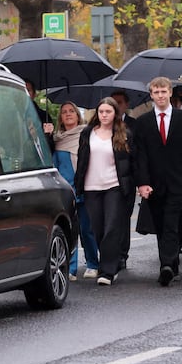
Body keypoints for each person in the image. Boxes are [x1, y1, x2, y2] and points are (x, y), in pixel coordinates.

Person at [134, 77, 182, 286]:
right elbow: (141, 156)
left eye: (164, 91)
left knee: (171, 223)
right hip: (154, 183)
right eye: (156, 92)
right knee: (160, 224)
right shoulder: (143, 122)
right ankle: (171, 265)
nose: (160, 96)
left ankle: (165, 265)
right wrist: (142, 183)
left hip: (178, 181)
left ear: (170, 93)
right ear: (151, 95)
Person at [74, 97, 134, 286]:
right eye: (101, 112)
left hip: (114, 186)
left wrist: (138, 184)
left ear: (115, 113)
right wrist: (78, 184)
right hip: (92, 188)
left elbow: (132, 161)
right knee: (98, 229)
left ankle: (107, 271)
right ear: (97, 114)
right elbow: (82, 160)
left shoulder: (123, 134)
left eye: (108, 111)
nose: (104, 115)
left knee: (111, 228)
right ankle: (111, 263)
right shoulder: (87, 133)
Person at [53, 101, 99, 279]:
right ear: (60, 118)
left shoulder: (86, 134)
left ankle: (93, 264)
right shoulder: (57, 139)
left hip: (84, 188)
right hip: (65, 191)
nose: (68, 114)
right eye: (64, 112)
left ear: (77, 115)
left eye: (71, 111)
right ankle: (70, 268)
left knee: (87, 229)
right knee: (68, 231)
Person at [110, 90, 138, 270]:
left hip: (127, 178)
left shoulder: (135, 125)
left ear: (126, 104)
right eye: (114, 102)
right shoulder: (104, 126)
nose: (117, 106)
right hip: (107, 177)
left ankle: (122, 254)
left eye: (120, 102)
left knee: (123, 219)